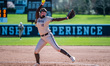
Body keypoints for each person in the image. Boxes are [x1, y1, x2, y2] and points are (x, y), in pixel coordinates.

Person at [34, 1, 75, 66]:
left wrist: (66, 18)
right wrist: (41, 5)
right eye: (42, 12)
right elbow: (37, 11)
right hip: (42, 38)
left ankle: (71, 57)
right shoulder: (37, 18)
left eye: (45, 12)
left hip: (48, 36)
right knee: (36, 51)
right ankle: (37, 63)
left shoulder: (47, 18)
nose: (43, 13)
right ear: (40, 13)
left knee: (58, 49)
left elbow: (57, 19)